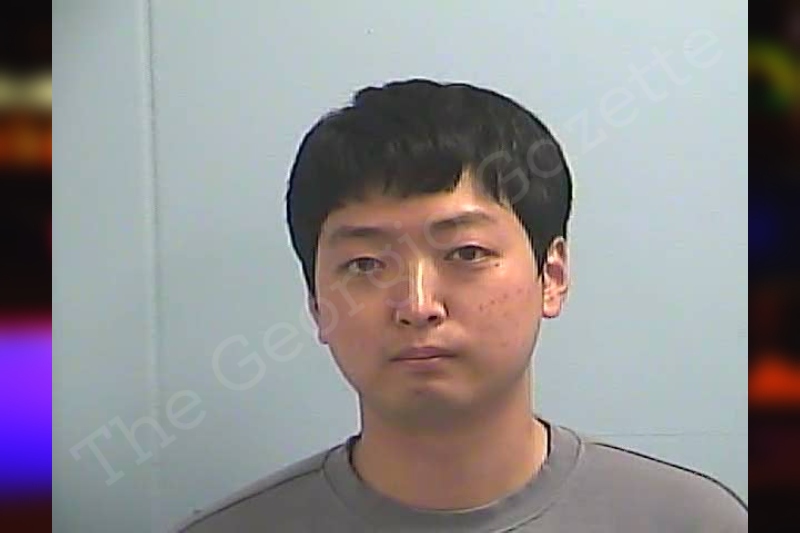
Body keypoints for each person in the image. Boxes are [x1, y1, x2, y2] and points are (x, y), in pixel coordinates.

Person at [174, 79, 747, 532]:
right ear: (317, 303)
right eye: (365, 264)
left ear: (552, 275)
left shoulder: (690, 522)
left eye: (467, 253)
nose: (417, 305)